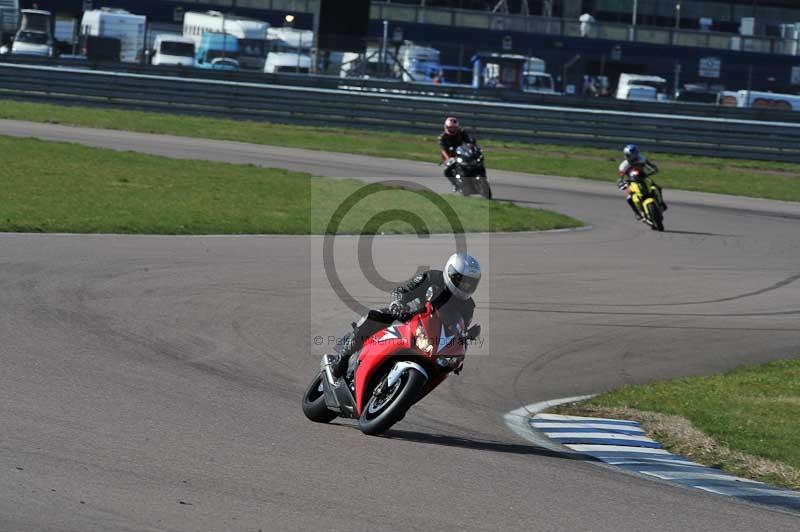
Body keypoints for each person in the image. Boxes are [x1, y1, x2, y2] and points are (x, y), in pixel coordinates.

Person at [330, 252, 481, 379]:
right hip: (408, 315)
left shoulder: (468, 306)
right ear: (451, 273)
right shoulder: (432, 277)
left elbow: (460, 330)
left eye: (470, 283)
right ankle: (342, 357)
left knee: (441, 368)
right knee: (374, 316)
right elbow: (404, 290)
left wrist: (462, 347)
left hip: (432, 336)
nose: (465, 286)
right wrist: (398, 303)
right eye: (462, 281)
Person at [617, 144, 667, 220]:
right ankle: (637, 213)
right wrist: (621, 182)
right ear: (627, 155)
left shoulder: (642, 158)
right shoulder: (623, 165)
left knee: (657, 187)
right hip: (631, 181)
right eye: (632, 155)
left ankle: (661, 203)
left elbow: (650, 165)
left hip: (643, 177)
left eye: (635, 154)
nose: (634, 157)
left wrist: (654, 169)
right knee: (629, 198)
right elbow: (621, 176)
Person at [439, 116, 477, 191]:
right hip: (449, 156)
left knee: (474, 163)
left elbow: (468, 142)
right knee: (447, 171)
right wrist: (448, 159)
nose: (452, 129)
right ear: (446, 127)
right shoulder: (442, 137)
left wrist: (471, 147)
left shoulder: (461, 132)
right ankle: (455, 184)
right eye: (450, 128)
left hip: (462, 153)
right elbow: (443, 150)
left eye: (454, 128)